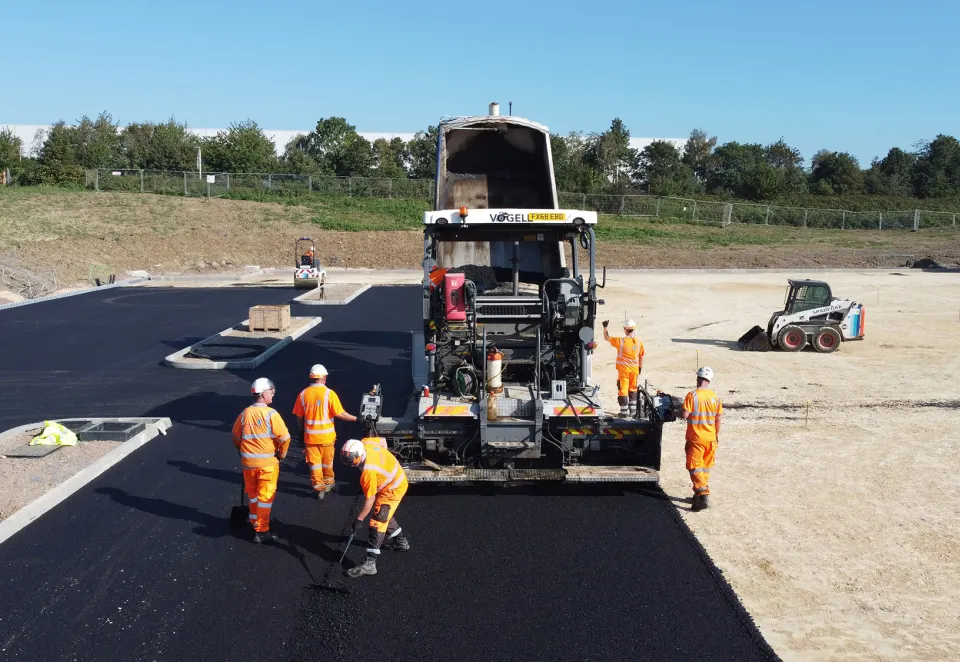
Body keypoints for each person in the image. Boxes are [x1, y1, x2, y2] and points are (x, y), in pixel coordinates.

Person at [341, 436, 410, 578]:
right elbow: (383, 441)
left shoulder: (368, 472)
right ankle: (401, 542)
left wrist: (359, 519)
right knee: (384, 514)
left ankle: (370, 564)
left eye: (353, 463)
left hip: (393, 489)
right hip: (393, 479)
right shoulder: (365, 442)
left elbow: (370, 499)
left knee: (377, 522)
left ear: (359, 455)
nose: (352, 466)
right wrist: (384, 459)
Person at [232, 377, 291, 543]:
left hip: (248, 464)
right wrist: (282, 454)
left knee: (253, 496)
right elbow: (285, 438)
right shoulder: (271, 414)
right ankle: (262, 530)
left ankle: (254, 520)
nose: (273, 395)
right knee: (265, 497)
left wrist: (242, 451)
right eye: (271, 393)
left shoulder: (244, 414)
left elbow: (236, 436)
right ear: (264, 394)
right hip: (267, 465)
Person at [292, 364, 357, 499]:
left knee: (314, 465)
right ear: (324, 378)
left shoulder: (303, 395)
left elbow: (299, 417)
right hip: (327, 438)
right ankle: (329, 481)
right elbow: (341, 414)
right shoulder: (329, 394)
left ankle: (319, 488)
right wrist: (357, 419)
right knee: (327, 462)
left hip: (310, 438)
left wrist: (300, 433)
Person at [681, 366, 723, 512]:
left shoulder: (692, 396)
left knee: (695, 467)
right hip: (711, 438)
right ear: (709, 380)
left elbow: (685, 415)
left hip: (696, 439)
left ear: (697, 378)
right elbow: (718, 419)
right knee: (704, 467)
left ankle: (702, 494)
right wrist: (715, 435)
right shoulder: (715, 398)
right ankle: (698, 494)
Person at [602, 318, 645, 416]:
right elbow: (641, 357)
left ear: (625, 329)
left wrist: (605, 327)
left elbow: (606, 338)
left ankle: (624, 412)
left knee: (623, 390)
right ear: (634, 329)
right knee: (633, 389)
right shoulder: (639, 342)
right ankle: (633, 411)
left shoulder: (620, 341)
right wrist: (640, 368)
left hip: (624, 371)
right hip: (635, 370)